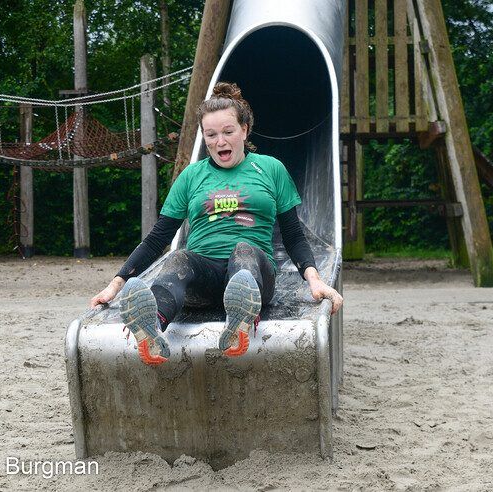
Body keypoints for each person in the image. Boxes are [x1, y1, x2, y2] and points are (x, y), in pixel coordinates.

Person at [90, 82, 343, 366]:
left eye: (227, 132)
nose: (219, 142)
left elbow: (294, 236)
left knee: (243, 252)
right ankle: (151, 329)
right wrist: (115, 286)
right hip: (205, 278)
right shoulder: (191, 176)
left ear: (244, 131)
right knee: (179, 258)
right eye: (211, 135)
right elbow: (157, 237)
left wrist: (315, 280)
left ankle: (241, 321)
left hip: (255, 275)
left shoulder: (271, 169)